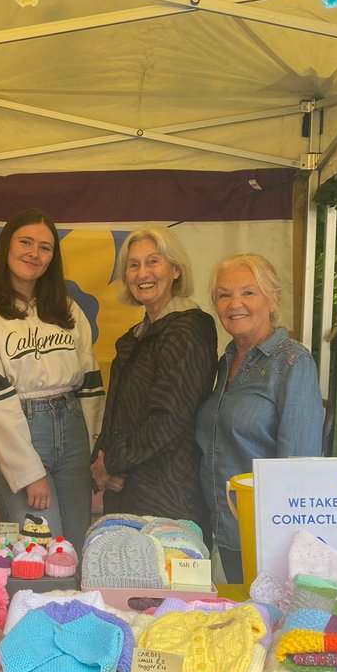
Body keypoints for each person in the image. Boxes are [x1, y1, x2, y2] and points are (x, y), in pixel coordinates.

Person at [0, 209, 104, 551]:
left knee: (79, 544)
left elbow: (91, 386)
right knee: (41, 548)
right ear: (6, 246)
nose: (34, 254)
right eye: (25, 242)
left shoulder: (67, 310)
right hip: (22, 429)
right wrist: (28, 471)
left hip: (73, 431)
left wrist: (96, 449)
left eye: (45, 247)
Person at [195, 253, 324, 582]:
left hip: (268, 538)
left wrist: (281, 540)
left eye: (248, 292)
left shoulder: (292, 361)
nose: (234, 303)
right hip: (224, 530)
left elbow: (299, 464)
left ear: (273, 298)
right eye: (224, 295)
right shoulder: (224, 361)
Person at [91, 228, 217, 542]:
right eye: (133, 265)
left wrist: (112, 462)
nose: (142, 273)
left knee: (165, 588)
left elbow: (169, 418)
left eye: (153, 262)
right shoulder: (135, 336)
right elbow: (117, 413)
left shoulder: (188, 330)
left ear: (176, 269)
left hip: (168, 495)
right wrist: (100, 462)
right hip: (127, 489)